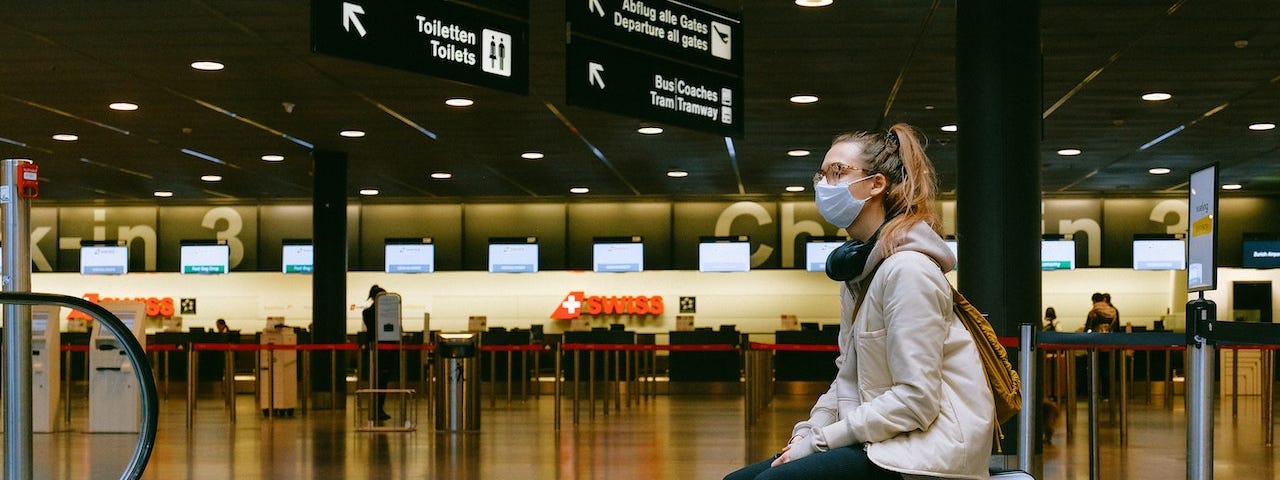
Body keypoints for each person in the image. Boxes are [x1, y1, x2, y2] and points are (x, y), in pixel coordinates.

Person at [725, 124, 994, 480]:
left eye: (838, 172)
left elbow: (917, 401)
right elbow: (846, 379)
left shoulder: (907, 270)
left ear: (876, 184)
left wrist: (821, 443)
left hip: (928, 451)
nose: (824, 184)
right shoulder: (859, 275)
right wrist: (807, 431)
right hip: (882, 439)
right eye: (821, 174)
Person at [362, 285, 392, 420]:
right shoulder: (375, 313)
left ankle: (377, 408)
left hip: (374, 350)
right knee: (381, 381)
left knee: (377, 380)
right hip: (381, 351)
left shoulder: (367, 312)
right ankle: (377, 408)